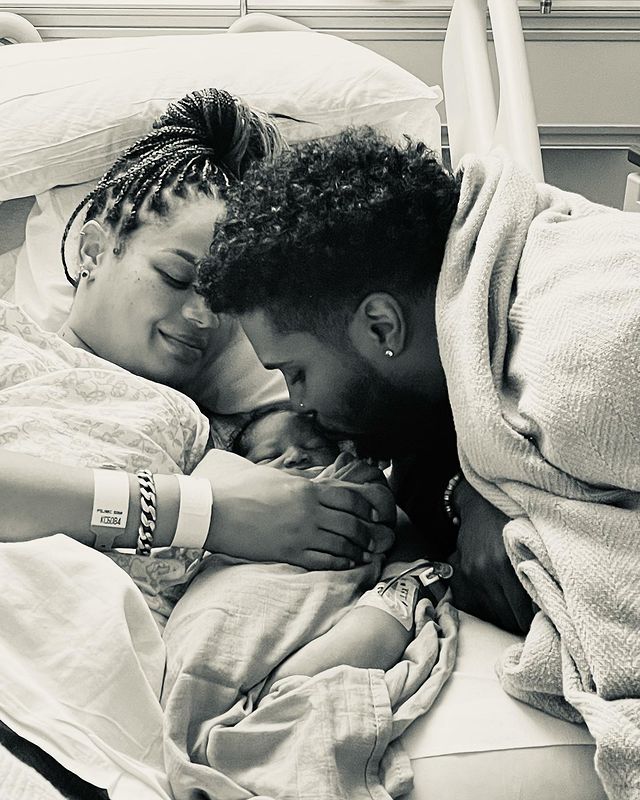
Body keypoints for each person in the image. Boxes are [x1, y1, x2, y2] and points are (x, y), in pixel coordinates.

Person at [195, 126, 640, 793]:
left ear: (382, 326)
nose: (299, 404)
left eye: (297, 373)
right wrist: (471, 491)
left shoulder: (589, 354)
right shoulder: (462, 320)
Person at [0, 97, 397, 619]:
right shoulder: (10, 340)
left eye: (223, 300)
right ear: (93, 250)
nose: (203, 316)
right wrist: (203, 513)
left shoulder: (222, 443)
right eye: (176, 277)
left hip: (97, 656)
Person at [230, 402, 449, 694]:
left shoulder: (354, 484)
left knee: (371, 634)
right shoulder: (231, 503)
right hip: (252, 597)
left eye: (314, 446)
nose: (295, 455)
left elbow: (391, 522)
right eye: (269, 456)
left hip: (343, 612)